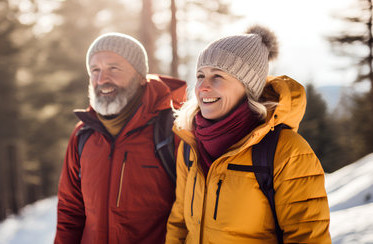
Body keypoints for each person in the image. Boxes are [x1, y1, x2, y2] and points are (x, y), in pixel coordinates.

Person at [165, 25, 331, 243]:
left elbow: (307, 238)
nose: (202, 87)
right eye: (200, 75)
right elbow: (179, 225)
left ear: (248, 87)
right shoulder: (190, 144)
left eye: (217, 76)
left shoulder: (287, 151)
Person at [55, 32, 186, 244]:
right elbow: (70, 212)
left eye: (113, 68)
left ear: (141, 77)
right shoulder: (83, 134)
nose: (101, 79)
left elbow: (192, 216)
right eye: (95, 70)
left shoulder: (173, 131)